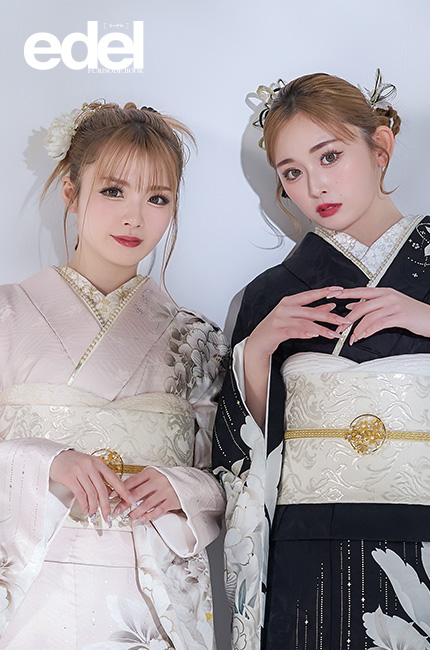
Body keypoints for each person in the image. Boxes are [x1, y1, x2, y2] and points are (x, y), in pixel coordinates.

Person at [213, 71, 430, 650]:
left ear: (380, 146)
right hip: (310, 555)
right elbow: (240, 454)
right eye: (292, 172)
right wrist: (256, 353)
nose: (315, 186)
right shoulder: (270, 295)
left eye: (330, 156)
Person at [0, 101, 228, 649]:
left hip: (145, 590)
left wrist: (180, 487)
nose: (135, 218)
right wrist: (45, 460)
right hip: (31, 587)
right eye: (113, 191)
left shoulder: (197, 338)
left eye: (158, 198)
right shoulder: (7, 315)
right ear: (71, 192)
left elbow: (224, 477)